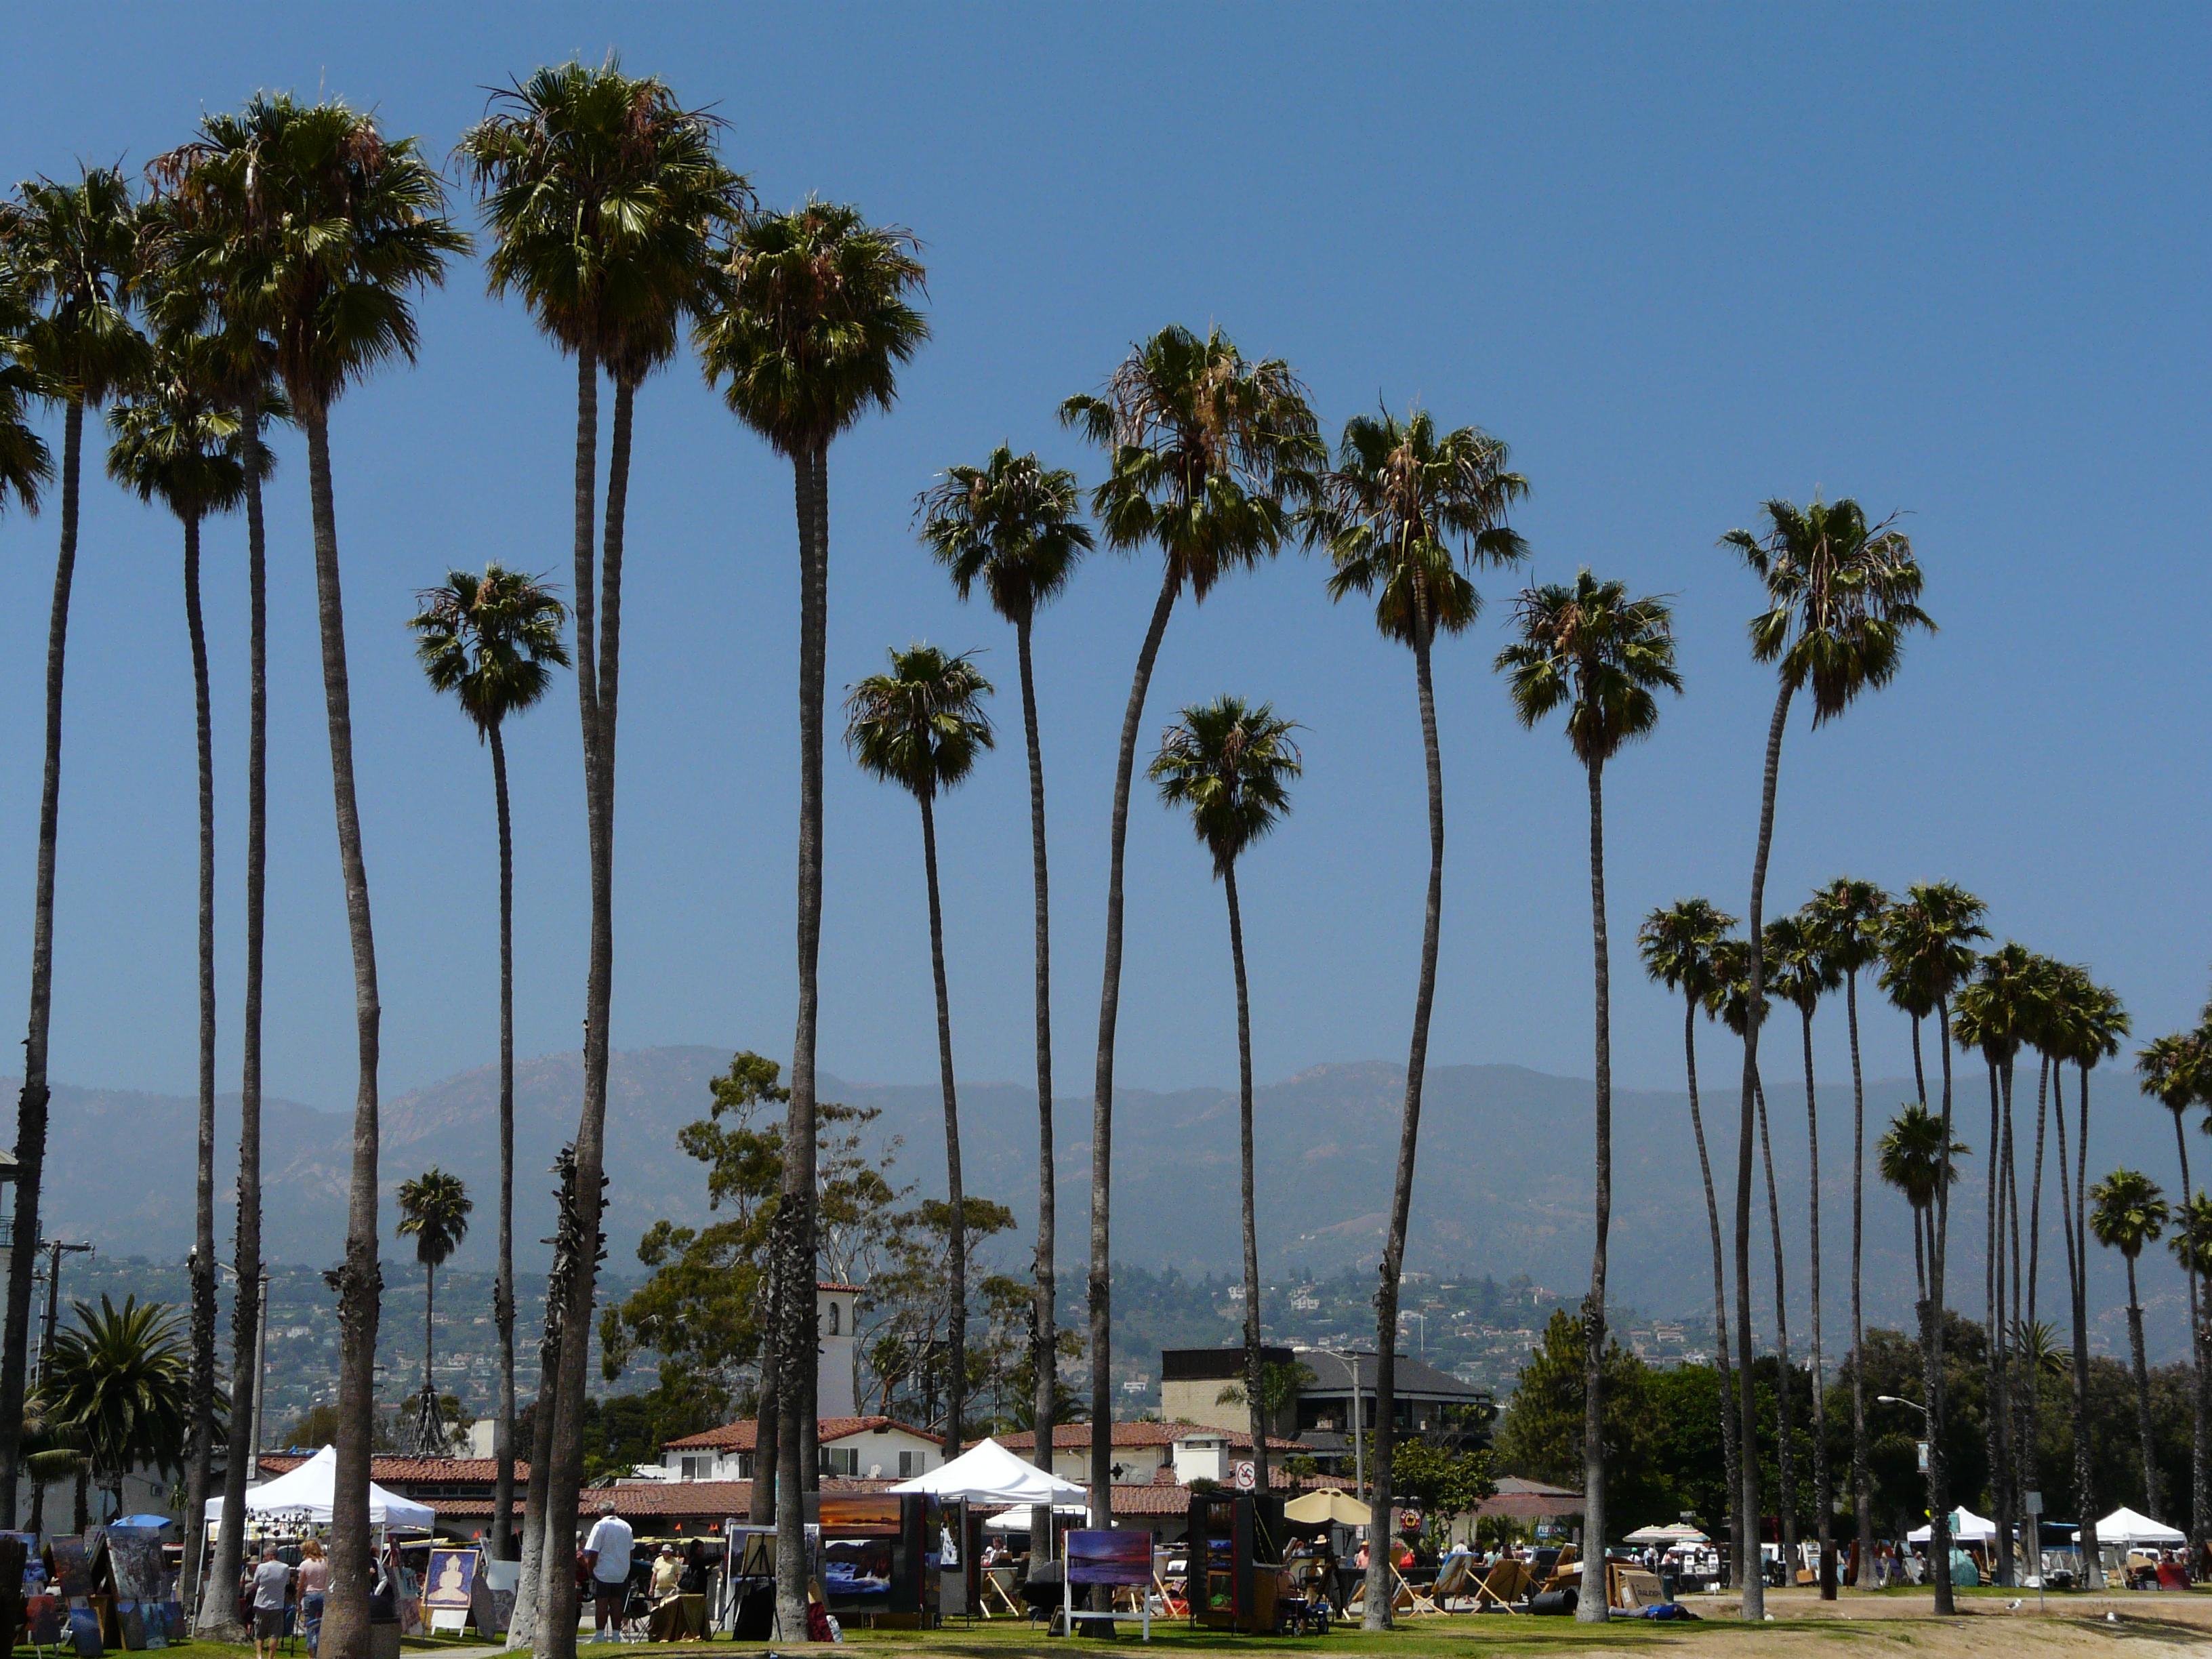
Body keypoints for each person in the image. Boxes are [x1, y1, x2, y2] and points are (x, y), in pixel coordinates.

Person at [583, 1502, 636, 1640]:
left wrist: (590, 1570)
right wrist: (625, 1567)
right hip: (620, 1572)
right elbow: (631, 1551)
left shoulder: (600, 1526)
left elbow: (593, 1552)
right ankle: (616, 1635)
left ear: (601, 1512)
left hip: (603, 1571)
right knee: (616, 1603)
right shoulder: (626, 1526)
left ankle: (600, 1635)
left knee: (602, 1603)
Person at [249, 1547, 292, 1659]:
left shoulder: (261, 1567)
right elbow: (287, 1582)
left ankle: (259, 1655)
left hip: (261, 1603)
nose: (264, 1558)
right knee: (275, 1634)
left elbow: (255, 1584)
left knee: (260, 1633)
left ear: (270, 1555)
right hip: (277, 1604)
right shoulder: (285, 1567)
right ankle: (271, 1657)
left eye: (265, 1556)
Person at [296, 1539, 329, 1657]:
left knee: (310, 1626)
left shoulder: (305, 1564)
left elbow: (301, 1585)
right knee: (323, 1625)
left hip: (310, 1594)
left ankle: (312, 1654)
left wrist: (298, 1600)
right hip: (324, 1594)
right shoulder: (326, 1562)